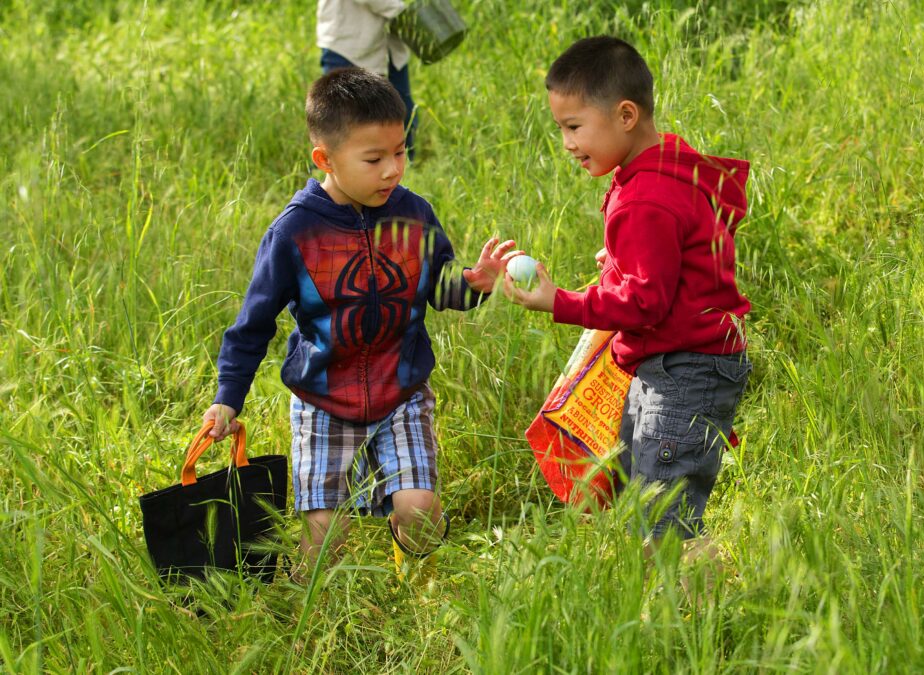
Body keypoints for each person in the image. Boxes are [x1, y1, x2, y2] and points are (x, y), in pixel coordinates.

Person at [202, 66, 518, 580]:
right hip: (323, 399)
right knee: (324, 534)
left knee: (420, 510)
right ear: (325, 159)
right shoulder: (295, 233)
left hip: (401, 391)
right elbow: (252, 324)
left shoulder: (414, 215)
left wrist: (473, 284)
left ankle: (413, 581)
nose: (393, 169)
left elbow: (434, 286)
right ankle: (312, 614)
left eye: (400, 151)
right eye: (374, 159)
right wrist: (227, 397)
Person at [505, 36, 753, 554]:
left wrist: (560, 301)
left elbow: (645, 304)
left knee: (663, 517)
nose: (568, 143)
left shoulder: (644, 197)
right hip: (679, 362)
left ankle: (682, 623)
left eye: (574, 127)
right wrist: (622, 263)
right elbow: (685, 251)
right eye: (562, 130)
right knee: (651, 493)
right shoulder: (667, 165)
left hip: (685, 368)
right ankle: (686, 603)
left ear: (624, 115)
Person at [317, 0, 418, 158]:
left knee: (402, 113)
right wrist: (406, 14)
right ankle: (328, 172)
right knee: (341, 122)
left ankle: (406, 168)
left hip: (387, 45)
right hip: (349, 45)